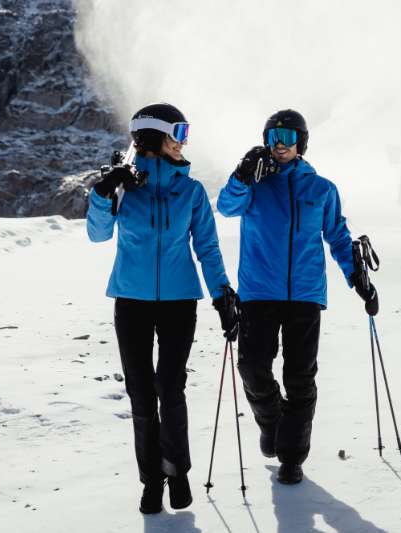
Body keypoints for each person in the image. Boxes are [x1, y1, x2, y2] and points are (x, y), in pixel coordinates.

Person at [87, 103, 239, 514]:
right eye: (179, 132)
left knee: (169, 389)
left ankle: (178, 470)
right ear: (156, 137)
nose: (185, 141)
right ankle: (151, 482)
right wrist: (103, 193)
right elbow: (98, 235)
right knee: (140, 395)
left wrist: (223, 294)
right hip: (131, 302)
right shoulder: (123, 186)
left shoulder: (189, 191)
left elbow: (206, 247)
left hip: (178, 303)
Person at [216, 109, 378, 485]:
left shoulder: (320, 189)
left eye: (288, 137)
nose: (280, 145)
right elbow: (225, 207)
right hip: (258, 292)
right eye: (274, 137)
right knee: (253, 368)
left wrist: (358, 279)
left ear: (301, 143)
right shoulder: (254, 185)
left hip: (305, 296)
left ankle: (291, 457)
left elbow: (337, 237)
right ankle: (271, 422)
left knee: (300, 378)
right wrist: (241, 175)